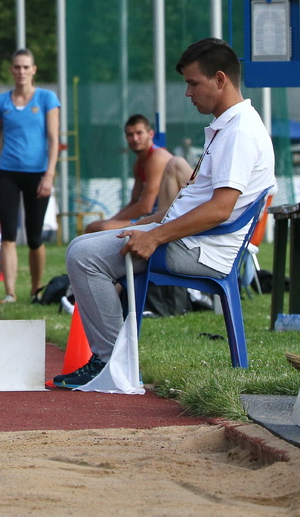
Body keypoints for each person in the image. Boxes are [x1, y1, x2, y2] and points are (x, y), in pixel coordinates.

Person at [54, 38, 274, 388]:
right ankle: (113, 361)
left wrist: (154, 235)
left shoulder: (240, 132)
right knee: (89, 242)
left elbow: (220, 209)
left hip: (201, 249)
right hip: (188, 239)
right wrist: (147, 224)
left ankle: (114, 366)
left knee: (83, 254)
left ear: (220, 79)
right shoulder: (230, 127)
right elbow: (193, 202)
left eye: (192, 83)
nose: (187, 93)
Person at [0, 49, 60, 304]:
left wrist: (49, 175)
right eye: (17, 67)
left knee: (34, 235)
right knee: (7, 233)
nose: (21, 72)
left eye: (25, 67)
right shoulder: (0, 103)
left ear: (34, 70)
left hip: (38, 173)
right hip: (8, 173)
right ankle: (10, 292)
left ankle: (35, 290)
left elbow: (53, 139)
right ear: (11, 70)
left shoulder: (47, 98)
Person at [84, 115, 193, 234]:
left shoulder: (157, 158)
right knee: (93, 226)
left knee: (104, 229)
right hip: (153, 215)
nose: (135, 138)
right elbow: (134, 201)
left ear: (150, 134)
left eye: (139, 133)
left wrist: (109, 223)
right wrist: (111, 220)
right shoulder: (139, 163)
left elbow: (145, 206)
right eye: (130, 135)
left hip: (169, 218)